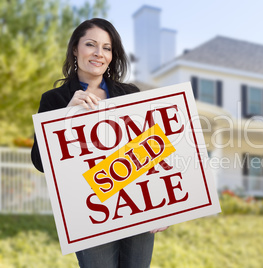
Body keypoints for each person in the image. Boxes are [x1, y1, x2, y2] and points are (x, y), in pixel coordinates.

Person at [31, 18, 167, 268]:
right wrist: (64, 118)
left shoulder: (130, 95)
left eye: (106, 47)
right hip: (89, 211)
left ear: (112, 55)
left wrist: (160, 206)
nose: (98, 53)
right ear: (75, 49)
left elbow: (151, 154)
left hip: (137, 203)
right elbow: (40, 162)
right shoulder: (55, 99)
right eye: (91, 44)